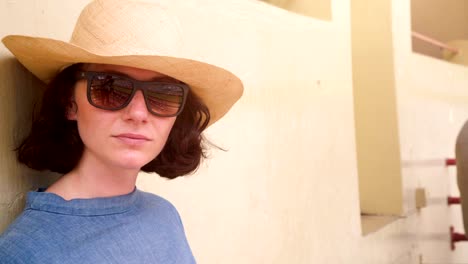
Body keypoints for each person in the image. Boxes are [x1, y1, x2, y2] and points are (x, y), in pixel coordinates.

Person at [0, 0, 243, 263]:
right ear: (70, 102)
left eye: (163, 95)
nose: (138, 114)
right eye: (110, 88)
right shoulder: (26, 252)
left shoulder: (164, 215)